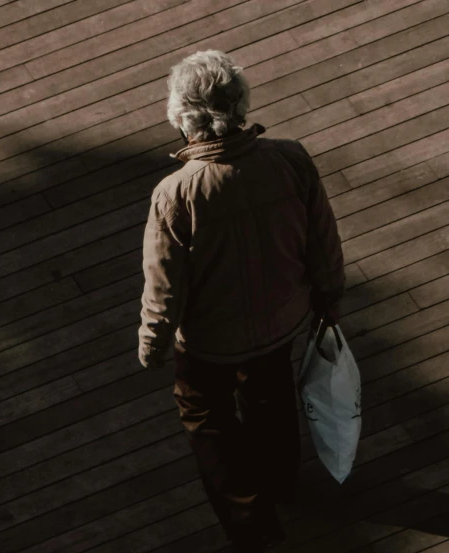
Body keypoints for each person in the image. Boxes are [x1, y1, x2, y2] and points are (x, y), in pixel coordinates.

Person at [137, 50, 345, 552]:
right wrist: (328, 296)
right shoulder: (290, 159)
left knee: (206, 418)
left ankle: (252, 525)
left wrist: (153, 342)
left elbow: (164, 284)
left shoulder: (175, 194)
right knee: (270, 392)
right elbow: (322, 236)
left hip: (209, 340)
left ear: (181, 116)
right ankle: (281, 482)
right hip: (282, 320)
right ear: (240, 105)